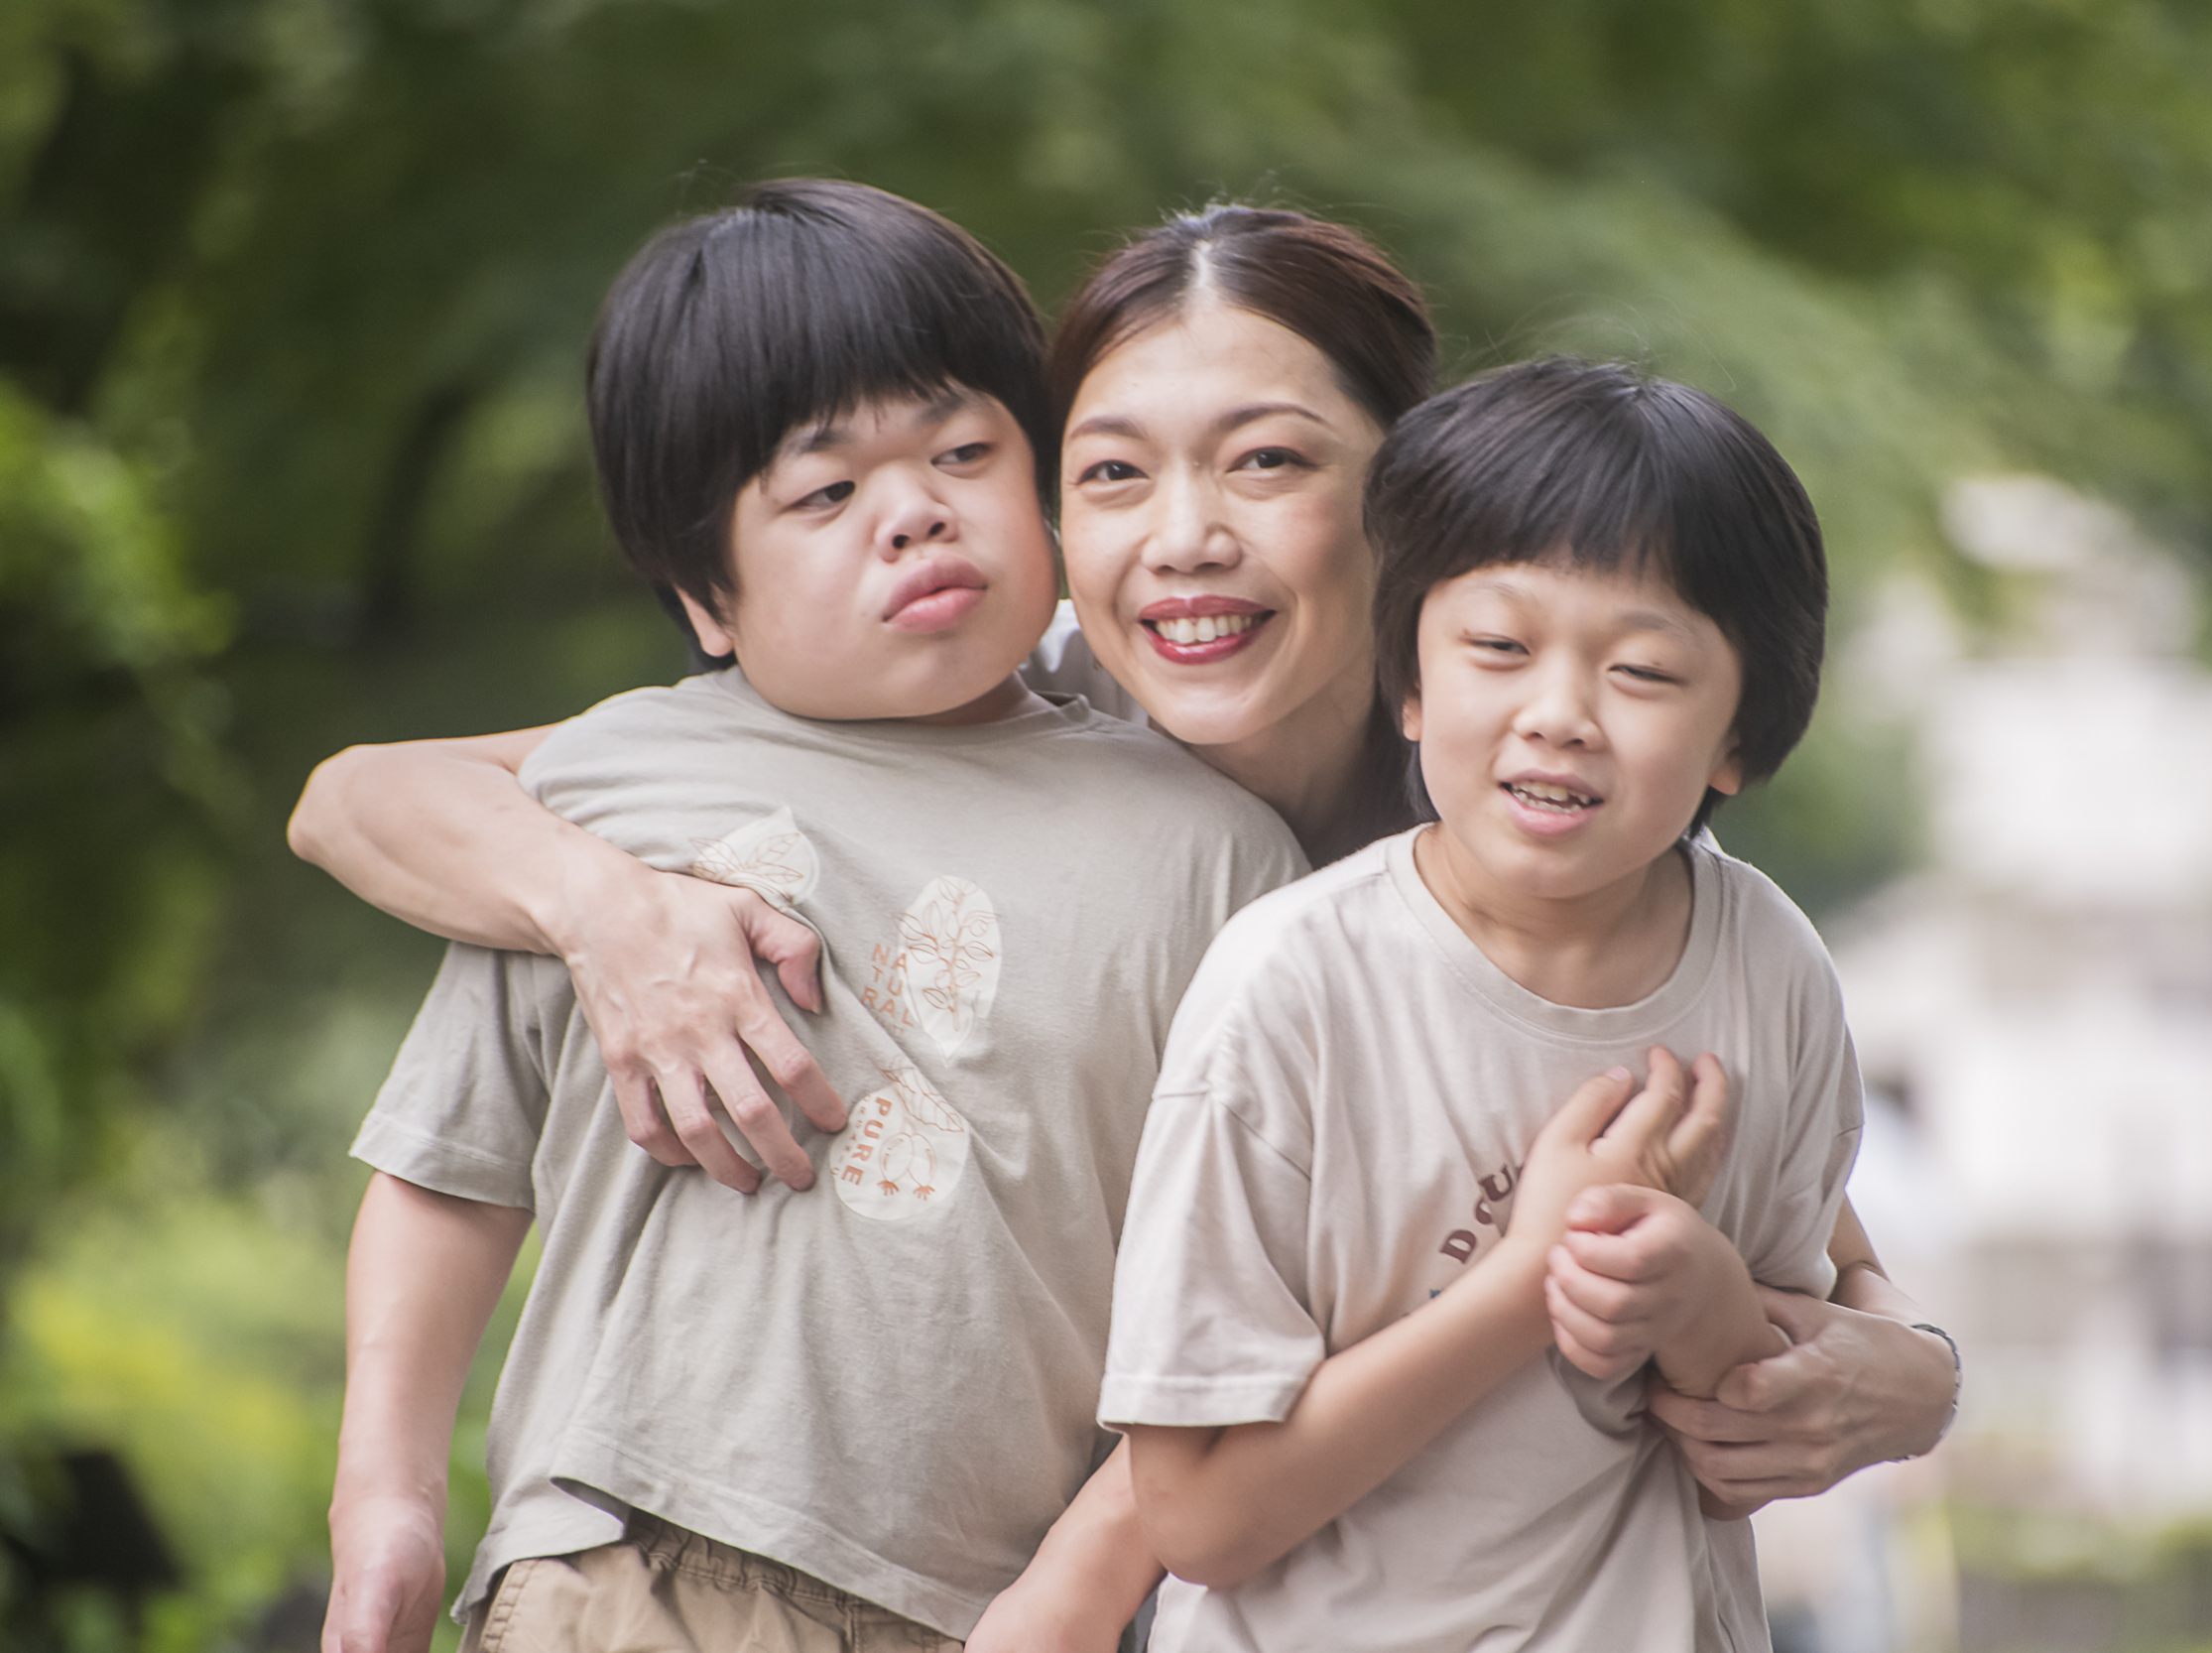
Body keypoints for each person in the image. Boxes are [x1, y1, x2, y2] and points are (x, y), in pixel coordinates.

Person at [290, 205, 1957, 1534]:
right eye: (1110, 472)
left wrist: (1912, 1367)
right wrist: (617, 914)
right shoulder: (1012, 711)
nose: (1183, 538)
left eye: (1270, 461)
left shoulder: (1528, 809)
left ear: (1416, 505)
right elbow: (374, 793)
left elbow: (1735, 1166)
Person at [319, 179, 1305, 1653]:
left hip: (985, 1604)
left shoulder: (1214, 849)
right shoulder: (602, 789)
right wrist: (384, 1493)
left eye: (964, 451)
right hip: (618, 1563)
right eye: (825, 493)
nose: (913, 512)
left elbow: (1238, 1283)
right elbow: (452, 1170)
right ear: (705, 593)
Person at [1103, 358, 1862, 1651]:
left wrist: (1696, 1291)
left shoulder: (1769, 969)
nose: (1558, 714)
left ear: (1741, 737)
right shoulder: (1291, 988)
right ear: (1409, 683)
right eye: (1499, 647)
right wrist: (1530, 1279)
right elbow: (1196, 1517)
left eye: (1642, 671)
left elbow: (1766, 1440)